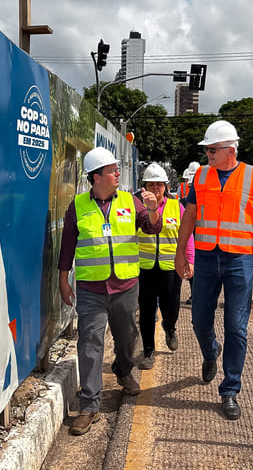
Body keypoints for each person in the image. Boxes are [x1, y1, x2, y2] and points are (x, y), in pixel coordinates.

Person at [174, 120, 253, 421]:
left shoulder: (252, 176)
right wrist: (181, 253)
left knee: (237, 327)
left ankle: (230, 389)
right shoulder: (201, 177)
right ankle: (211, 352)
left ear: (230, 149)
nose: (208, 153)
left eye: (212, 148)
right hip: (207, 259)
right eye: (206, 149)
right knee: (198, 321)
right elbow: (190, 216)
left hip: (238, 261)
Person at [58, 146, 162, 435]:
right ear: (97, 177)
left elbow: (150, 228)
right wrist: (63, 280)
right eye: (112, 170)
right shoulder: (77, 207)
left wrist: (153, 212)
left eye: (117, 169)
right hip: (92, 289)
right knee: (90, 343)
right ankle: (90, 404)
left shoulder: (131, 201)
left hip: (126, 286)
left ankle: (124, 370)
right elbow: (67, 248)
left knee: (127, 337)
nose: (118, 173)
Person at [135, 162, 194, 370]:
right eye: (151, 185)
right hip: (145, 268)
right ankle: (148, 350)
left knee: (171, 306)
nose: (155, 189)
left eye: (159, 185)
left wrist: (190, 259)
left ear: (166, 187)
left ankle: (169, 328)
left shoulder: (176, 206)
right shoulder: (137, 207)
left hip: (171, 267)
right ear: (145, 187)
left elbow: (186, 235)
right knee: (147, 310)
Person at [178, 161, 200, 304]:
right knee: (193, 267)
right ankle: (196, 295)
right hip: (194, 235)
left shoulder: (185, 197)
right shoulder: (184, 199)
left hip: (198, 235)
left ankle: (197, 295)